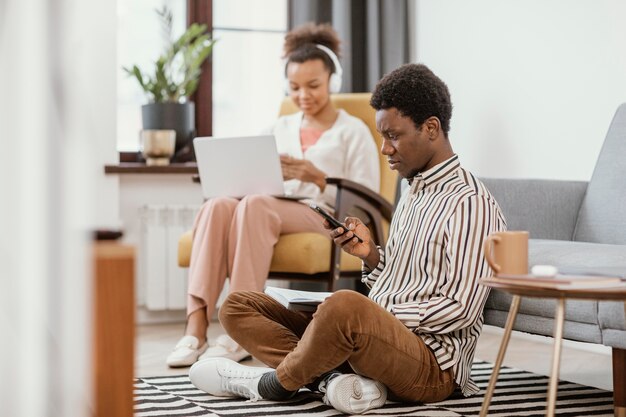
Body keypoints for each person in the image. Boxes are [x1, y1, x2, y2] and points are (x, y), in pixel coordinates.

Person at [188, 63, 508, 415]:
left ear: (431, 128)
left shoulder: (469, 203)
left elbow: (460, 309)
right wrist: (371, 256)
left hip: (432, 367)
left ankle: (271, 384)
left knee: (345, 306)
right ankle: (330, 382)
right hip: (376, 343)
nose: (386, 149)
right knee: (238, 306)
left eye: (394, 136)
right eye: (383, 137)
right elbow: (405, 277)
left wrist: (375, 314)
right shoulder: (415, 190)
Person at [166, 23, 380, 367]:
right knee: (218, 205)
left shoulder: (351, 131)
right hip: (271, 205)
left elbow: (365, 194)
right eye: (294, 87)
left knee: (256, 206)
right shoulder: (277, 129)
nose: (303, 95)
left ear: (332, 83)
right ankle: (195, 327)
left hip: (325, 214)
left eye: (313, 86)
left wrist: (317, 177)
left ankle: (239, 329)